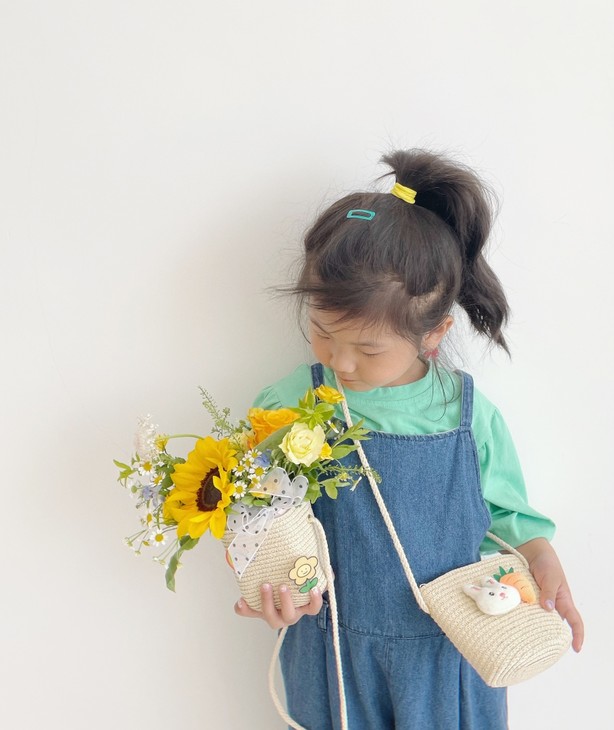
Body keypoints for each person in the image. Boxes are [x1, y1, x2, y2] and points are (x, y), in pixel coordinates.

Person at [234, 149, 584, 729]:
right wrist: (271, 588)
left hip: (450, 654)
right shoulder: (288, 406)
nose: (340, 361)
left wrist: (544, 561)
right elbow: (255, 518)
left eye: (368, 349)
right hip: (333, 653)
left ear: (434, 333)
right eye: (322, 332)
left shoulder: (467, 416)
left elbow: (510, 520)